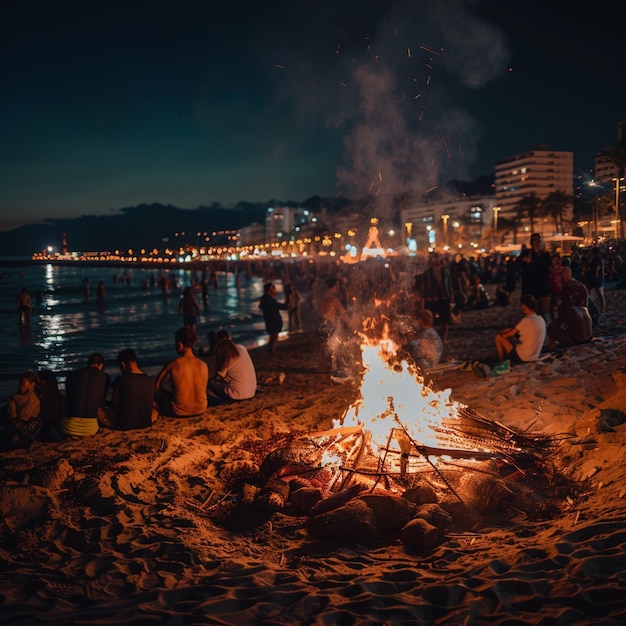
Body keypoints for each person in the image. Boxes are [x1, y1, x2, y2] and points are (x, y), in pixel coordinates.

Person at [154, 326, 209, 417]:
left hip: (179, 411)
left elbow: (157, 385)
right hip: (201, 409)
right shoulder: (203, 365)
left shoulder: (173, 364)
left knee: (161, 396)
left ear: (180, 345)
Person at [99, 348, 156, 430]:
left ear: (123, 364)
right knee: (154, 410)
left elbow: (114, 405)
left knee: (97, 410)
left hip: (124, 425)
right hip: (145, 423)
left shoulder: (120, 380)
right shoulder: (149, 380)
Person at [61, 353, 111, 437]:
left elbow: (68, 399)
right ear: (101, 365)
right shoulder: (105, 377)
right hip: (91, 429)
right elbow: (101, 403)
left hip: (68, 427)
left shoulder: (71, 374)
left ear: (88, 364)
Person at [207, 331, 257, 406]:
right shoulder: (241, 348)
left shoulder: (225, 353)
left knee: (209, 383)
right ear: (229, 337)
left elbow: (219, 376)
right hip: (251, 392)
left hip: (237, 395)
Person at [494, 294, 546, 365]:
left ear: (523, 306)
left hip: (523, 358)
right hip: (534, 356)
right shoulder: (540, 318)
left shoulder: (526, 320)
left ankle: (502, 363)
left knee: (498, 337)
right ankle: (508, 362)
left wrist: (504, 331)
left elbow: (506, 336)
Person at [3, 370, 41, 449]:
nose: (21, 385)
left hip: (25, 430)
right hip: (18, 424)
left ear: (32, 385)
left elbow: (19, 417)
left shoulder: (33, 401)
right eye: (20, 382)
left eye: (23, 383)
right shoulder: (15, 397)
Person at [518, 233, 551, 319]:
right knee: (530, 311)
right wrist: (523, 261)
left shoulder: (545, 255)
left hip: (543, 286)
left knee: (545, 311)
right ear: (531, 242)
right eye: (534, 240)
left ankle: (545, 328)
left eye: (538, 240)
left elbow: (549, 268)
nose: (536, 243)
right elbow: (516, 266)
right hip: (529, 287)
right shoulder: (526, 254)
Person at [258, 282, 288, 353]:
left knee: (274, 336)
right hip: (272, 320)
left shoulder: (267, 298)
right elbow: (278, 306)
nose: (275, 290)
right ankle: (271, 351)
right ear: (269, 290)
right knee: (273, 336)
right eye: (273, 288)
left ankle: (271, 350)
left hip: (272, 320)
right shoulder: (267, 299)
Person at [587, 247, 606, 314]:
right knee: (598, 294)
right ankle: (600, 309)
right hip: (599, 277)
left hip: (597, 278)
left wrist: (596, 275)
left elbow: (597, 268)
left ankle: (601, 309)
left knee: (599, 294)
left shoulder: (596, 258)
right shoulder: (599, 258)